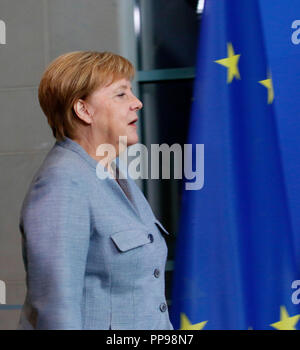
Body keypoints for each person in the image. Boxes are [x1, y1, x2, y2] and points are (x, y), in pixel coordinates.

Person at [17, 51, 174, 330]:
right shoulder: (62, 182)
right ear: (84, 110)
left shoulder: (111, 174)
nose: (137, 103)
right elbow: (57, 310)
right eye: (121, 94)